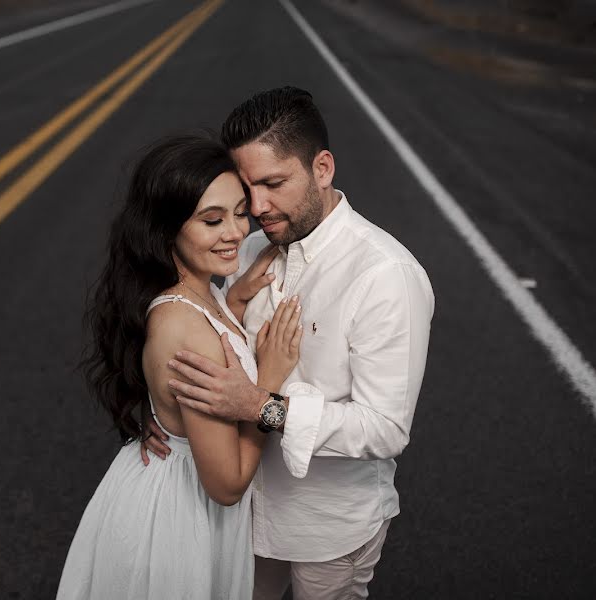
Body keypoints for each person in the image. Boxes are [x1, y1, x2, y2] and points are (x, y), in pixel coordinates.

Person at [143, 87, 435, 599]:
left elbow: (387, 430)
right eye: (247, 187)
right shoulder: (253, 245)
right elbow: (193, 335)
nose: (256, 208)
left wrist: (261, 406)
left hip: (326, 527)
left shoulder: (386, 276)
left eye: (274, 184)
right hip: (240, 516)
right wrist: (163, 414)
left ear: (322, 168)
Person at [56, 135, 305, 599]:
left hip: (165, 491)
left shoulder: (197, 293)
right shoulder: (184, 327)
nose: (235, 232)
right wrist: (267, 382)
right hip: (180, 517)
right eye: (212, 220)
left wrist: (230, 302)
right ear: (166, 228)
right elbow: (227, 485)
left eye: (238, 211)